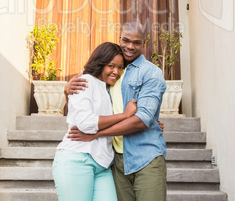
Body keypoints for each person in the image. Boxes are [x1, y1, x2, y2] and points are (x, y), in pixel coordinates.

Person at [66, 21, 167, 201]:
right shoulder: (110, 72)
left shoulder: (151, 72)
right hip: (116, 161)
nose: (130, 46)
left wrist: (96, 134)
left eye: (137, 42)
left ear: (144, 43)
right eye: (126, 40)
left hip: (146, 156)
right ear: (119, 39)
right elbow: (88, 104)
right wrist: (66, 91)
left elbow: (141, 120)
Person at [52, 41, 138, 201]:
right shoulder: (85, 81)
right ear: (100, 63)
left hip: (102, 164)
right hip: (78, 159)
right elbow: (86, 123)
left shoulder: (109, 88)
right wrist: (125, 115)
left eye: (120, 67)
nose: (116, 72)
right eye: (111, 66)